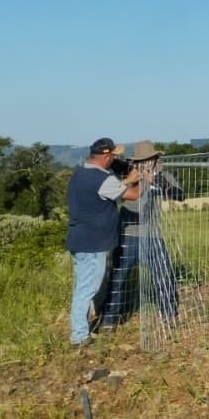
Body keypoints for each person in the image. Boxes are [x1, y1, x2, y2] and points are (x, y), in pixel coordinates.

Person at [98, 140, 185, 329]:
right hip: (128, 234)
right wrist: (133, 174)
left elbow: (180, 195)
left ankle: (169, 314)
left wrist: (158, 182)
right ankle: (109, 320)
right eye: (142, 160)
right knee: (118, 278)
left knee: (163, 275)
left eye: (150, 159)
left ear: (156, 160)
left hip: (153, 235)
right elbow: (109, 166)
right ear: (135, 162)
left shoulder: (163, 177)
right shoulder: (124, 174)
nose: (147, 164)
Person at [65, 137, 140, 347]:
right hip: (93, 244)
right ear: (106, 156)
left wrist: (125, 180)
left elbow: (106, 191)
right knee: (87, 288)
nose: (116, 159)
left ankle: (81, 328)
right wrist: (142, 178)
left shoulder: (81, 172)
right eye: (114, 155)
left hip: (79, 240)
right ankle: (79, 336)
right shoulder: (103, 179)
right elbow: (133, 195)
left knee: (83, 285)